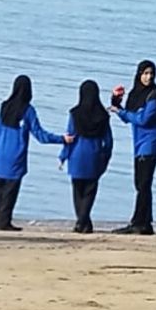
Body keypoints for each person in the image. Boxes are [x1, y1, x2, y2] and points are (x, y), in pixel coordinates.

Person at [113, 59, 156, 234]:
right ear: (139, 74)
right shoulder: (136, 94)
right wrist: (117, 104)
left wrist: (123, 112)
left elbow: (143, 119)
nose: (148, 77)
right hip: (140, 144)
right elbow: (127, 117)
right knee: (141, 184)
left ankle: (139, 223)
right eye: (145, 73)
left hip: (152, 143)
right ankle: (145, 222)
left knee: (143, 184)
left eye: (151, 74)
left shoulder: (154, 96)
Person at [51, 81, 113, 233]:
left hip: (77, 155)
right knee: (90, 191)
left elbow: (70, 136)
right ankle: (83, 221)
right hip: (95, 155)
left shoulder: (75, 114)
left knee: (78, 191)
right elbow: (109, 141)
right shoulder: (103, 116)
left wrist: (63, 156)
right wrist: (105, 158)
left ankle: (82, 221)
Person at [0, 76, 47, 230]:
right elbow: (40, 135)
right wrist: (62, 139)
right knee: (10, 191)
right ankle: (4, 222)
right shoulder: (28, 110)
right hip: (16, 155)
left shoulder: (4, 107)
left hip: (1, 153)